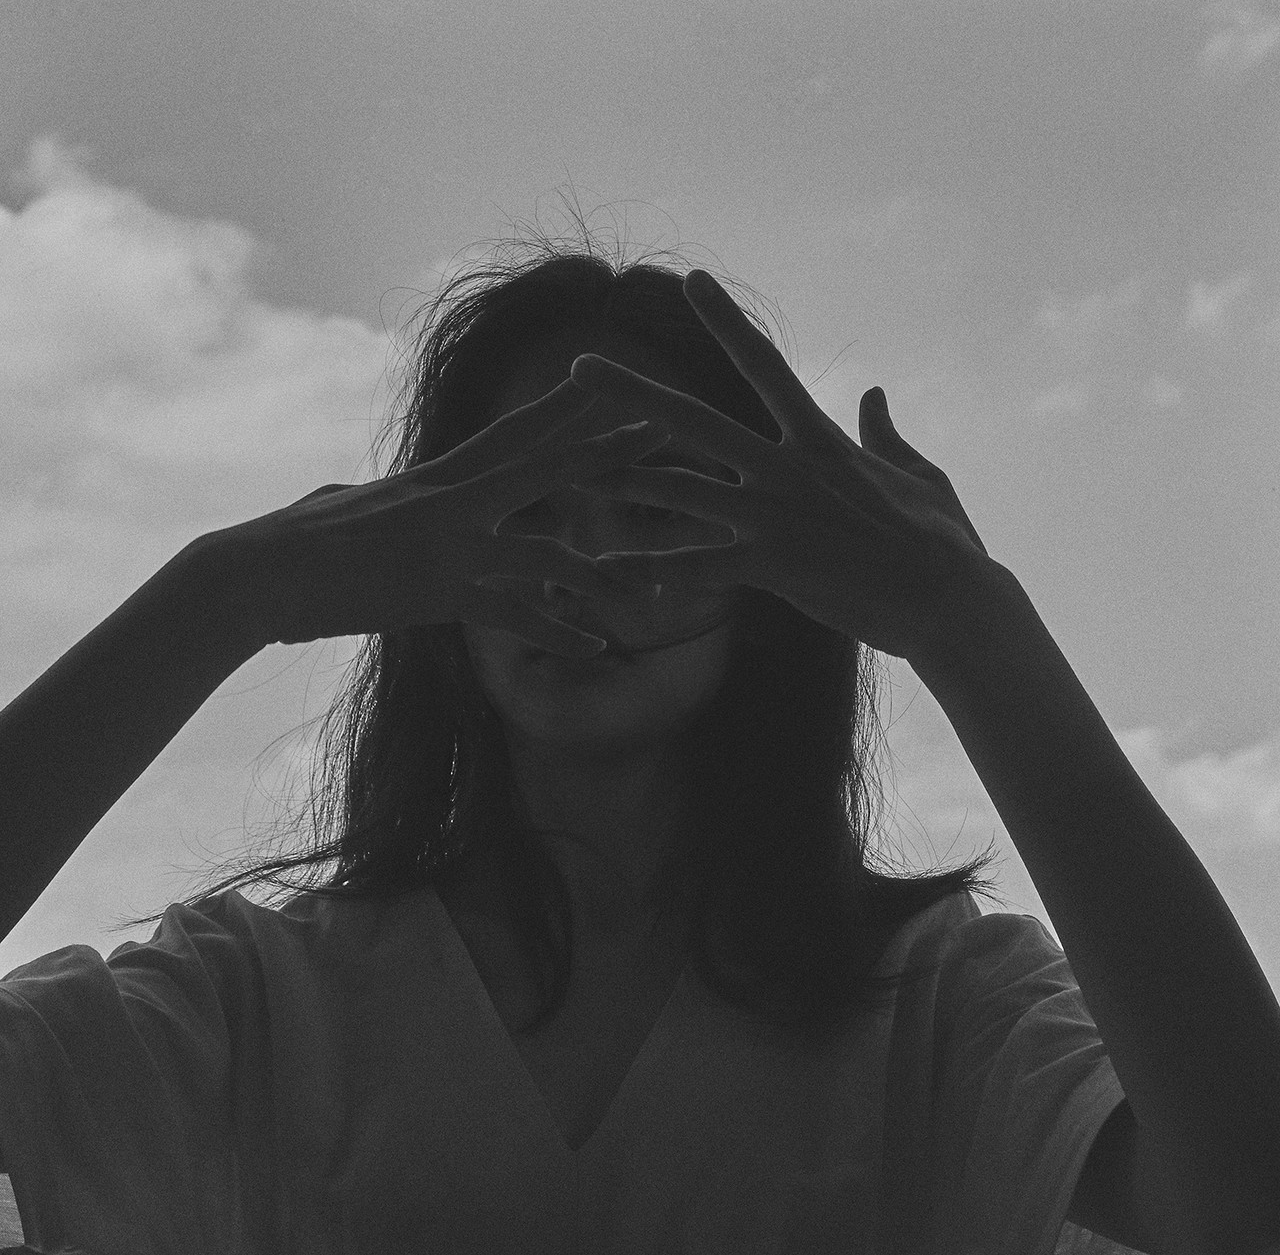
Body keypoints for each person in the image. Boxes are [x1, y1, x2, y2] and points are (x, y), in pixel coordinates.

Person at [0, 234, 1277, 1255]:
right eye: (523, 507)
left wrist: (973, 631)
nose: (585, 564)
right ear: (423, 565)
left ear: (774, 585)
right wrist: (222, 596)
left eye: (655, 510)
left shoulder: (937, 1006)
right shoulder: (255, 1007)